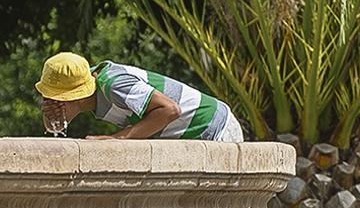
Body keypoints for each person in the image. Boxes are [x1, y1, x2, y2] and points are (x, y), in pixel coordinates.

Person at [36, 52, 244, 142]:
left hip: (214, 128)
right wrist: (52, 122)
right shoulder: (85, 79)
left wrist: (116, 140)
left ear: (77, 96)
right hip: (197, 133)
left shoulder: (114, 84)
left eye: (56, 98)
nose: (51, 103)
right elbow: (59, 130)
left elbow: (170, 110)